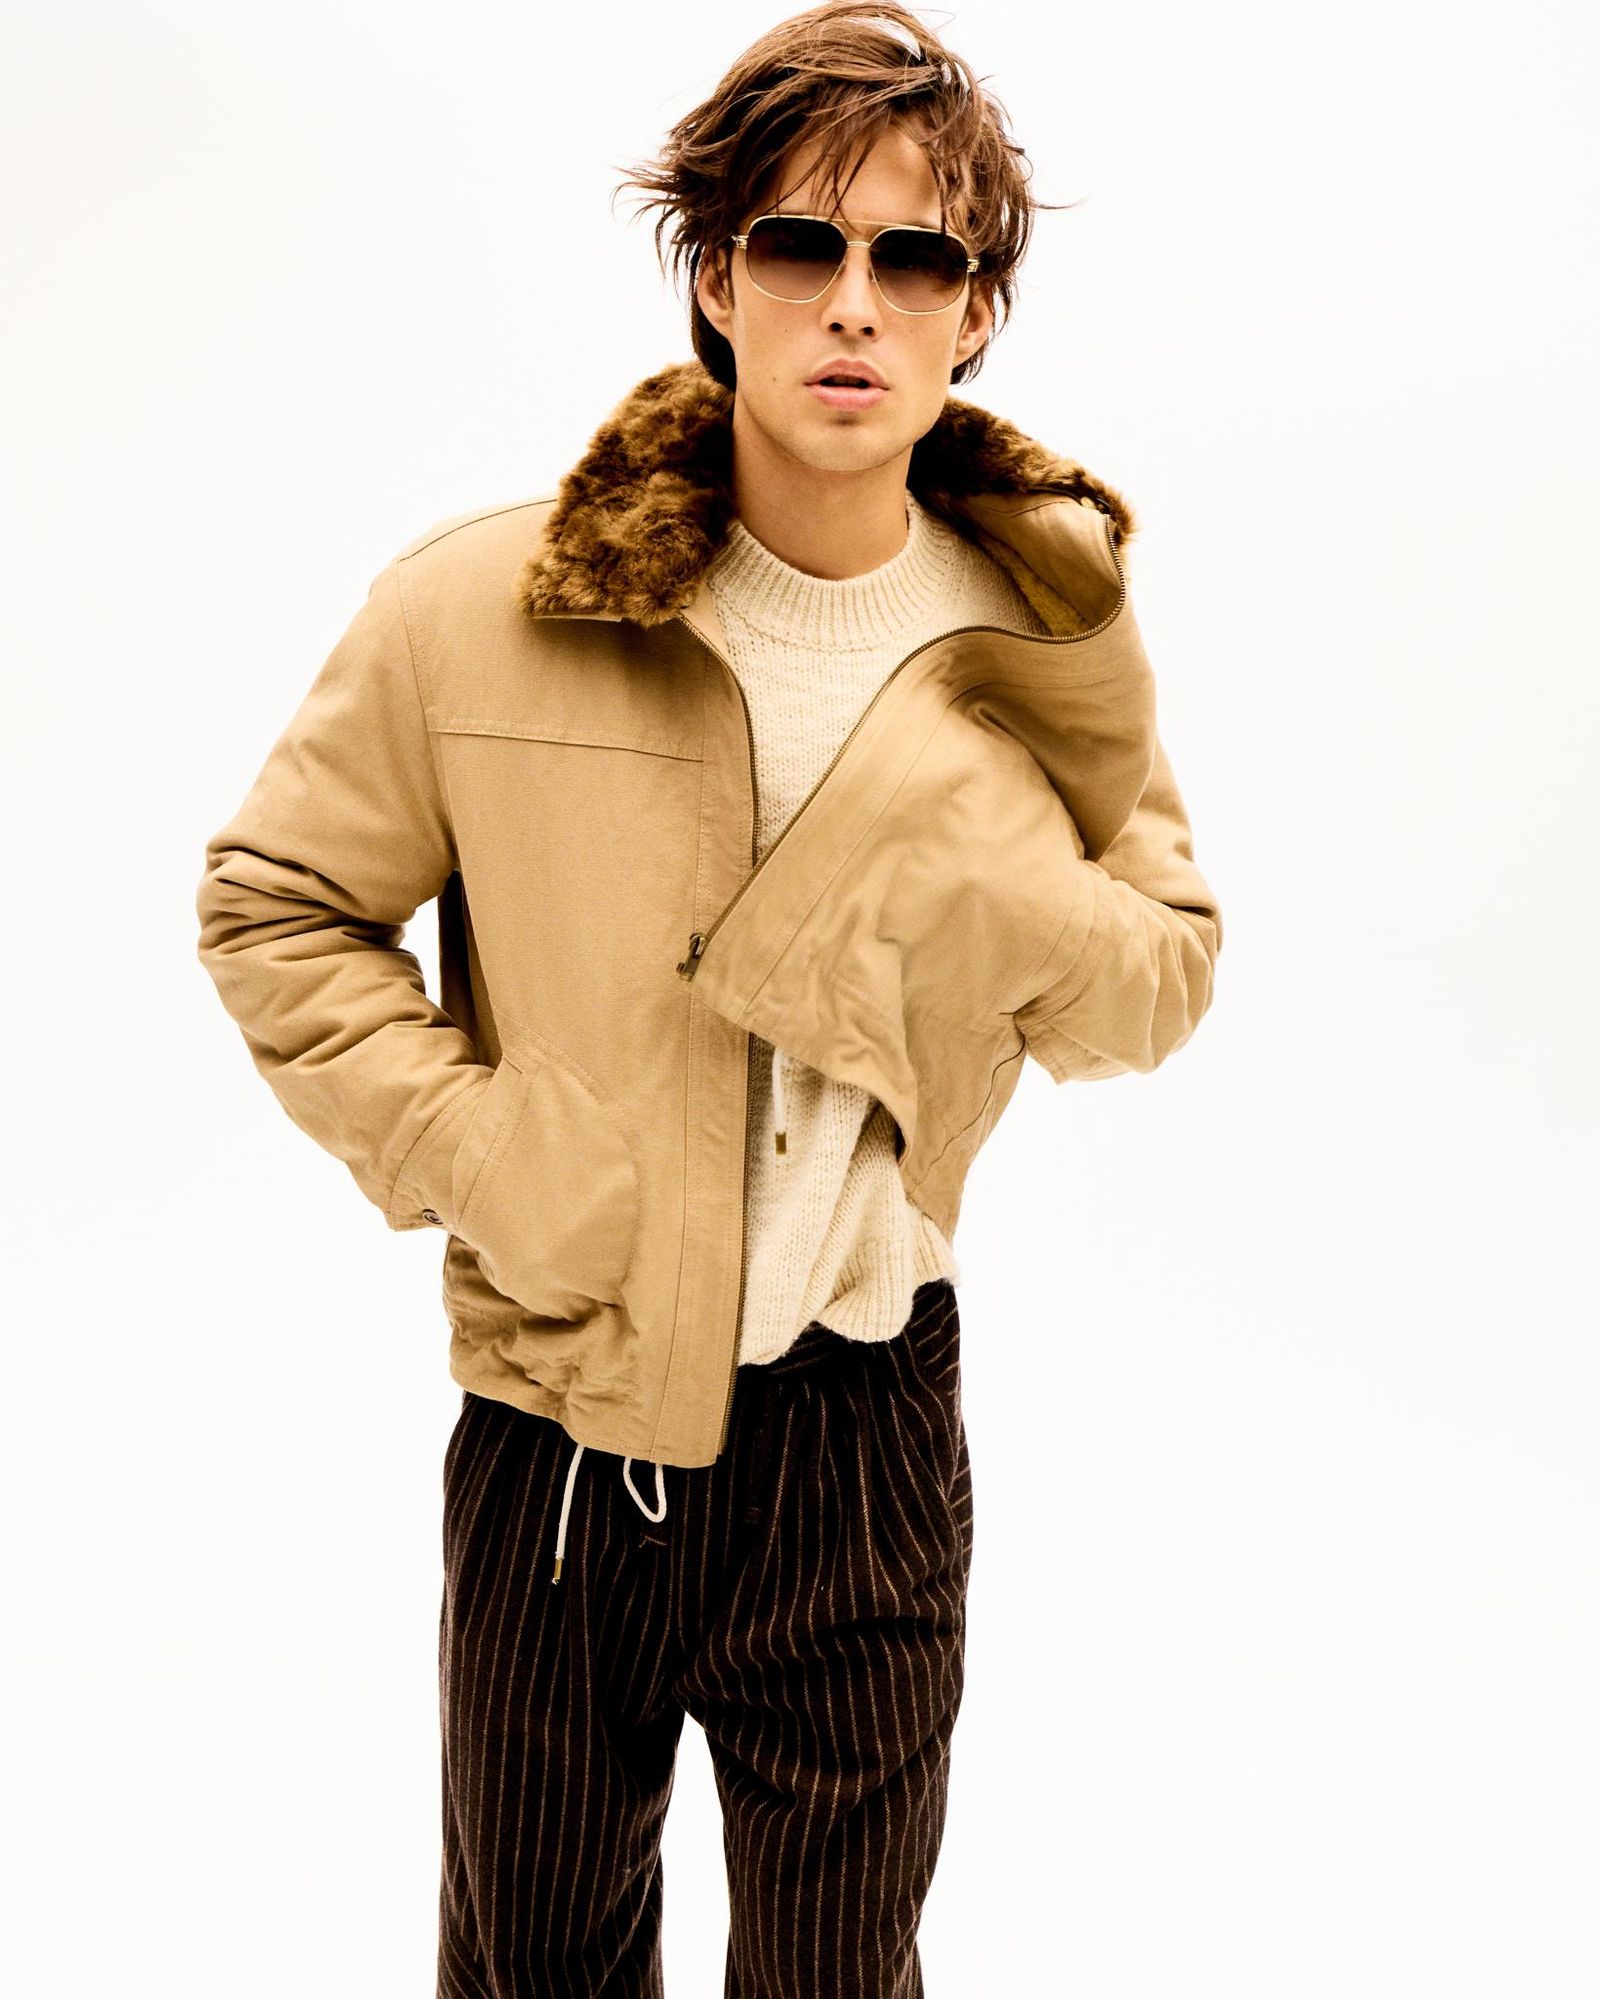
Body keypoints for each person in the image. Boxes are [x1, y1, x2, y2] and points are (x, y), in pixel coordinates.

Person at [194, 4, 1223, 1992]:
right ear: (716, 279)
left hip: (864, 1436)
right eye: (798, 244)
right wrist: (497, 1155)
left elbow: (1151, 983)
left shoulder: (1044, 628)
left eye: (912, 257)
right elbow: (277, 905)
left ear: (973, 313)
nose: (853, 302)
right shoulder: (484, 606)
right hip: (561, 1426)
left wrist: (974, 868)